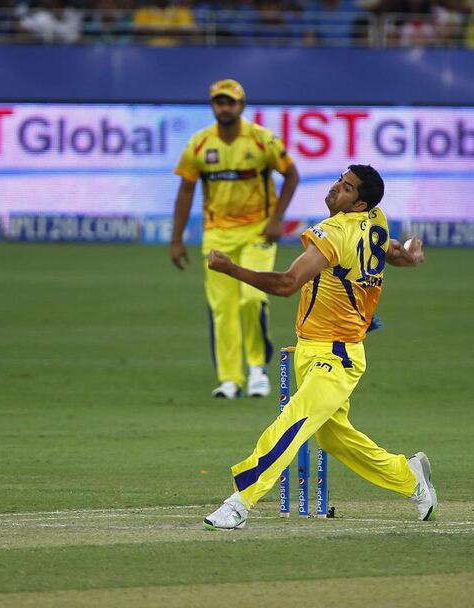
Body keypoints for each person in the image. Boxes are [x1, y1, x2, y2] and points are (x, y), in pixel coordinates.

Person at [202, 164, 436, 530]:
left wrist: (231, 269)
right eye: (339, 181)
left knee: (293, 421)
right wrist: (412, 257)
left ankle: (240, 501)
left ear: (359, 204)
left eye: (346, 188)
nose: (334, 189)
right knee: (333, 436)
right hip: (310, 348)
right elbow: (388, 248)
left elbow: (286, 283)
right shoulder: (376, 218)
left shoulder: (333, 233)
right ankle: (409, 477)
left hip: (337, 356)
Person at [171, 79, 299, 399]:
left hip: (257, 231)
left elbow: (292, 174)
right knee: (223, 307)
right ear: (213, 106)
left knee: (252, 298)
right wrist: (176, 239)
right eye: (219, 102)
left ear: (241, 106)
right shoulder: (199, 144)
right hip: (217, 234)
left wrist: (276, 219)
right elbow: (185, 190)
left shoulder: (262, 140)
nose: (224, 108)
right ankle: (230, 378)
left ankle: (257, 368)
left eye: (230, 102)